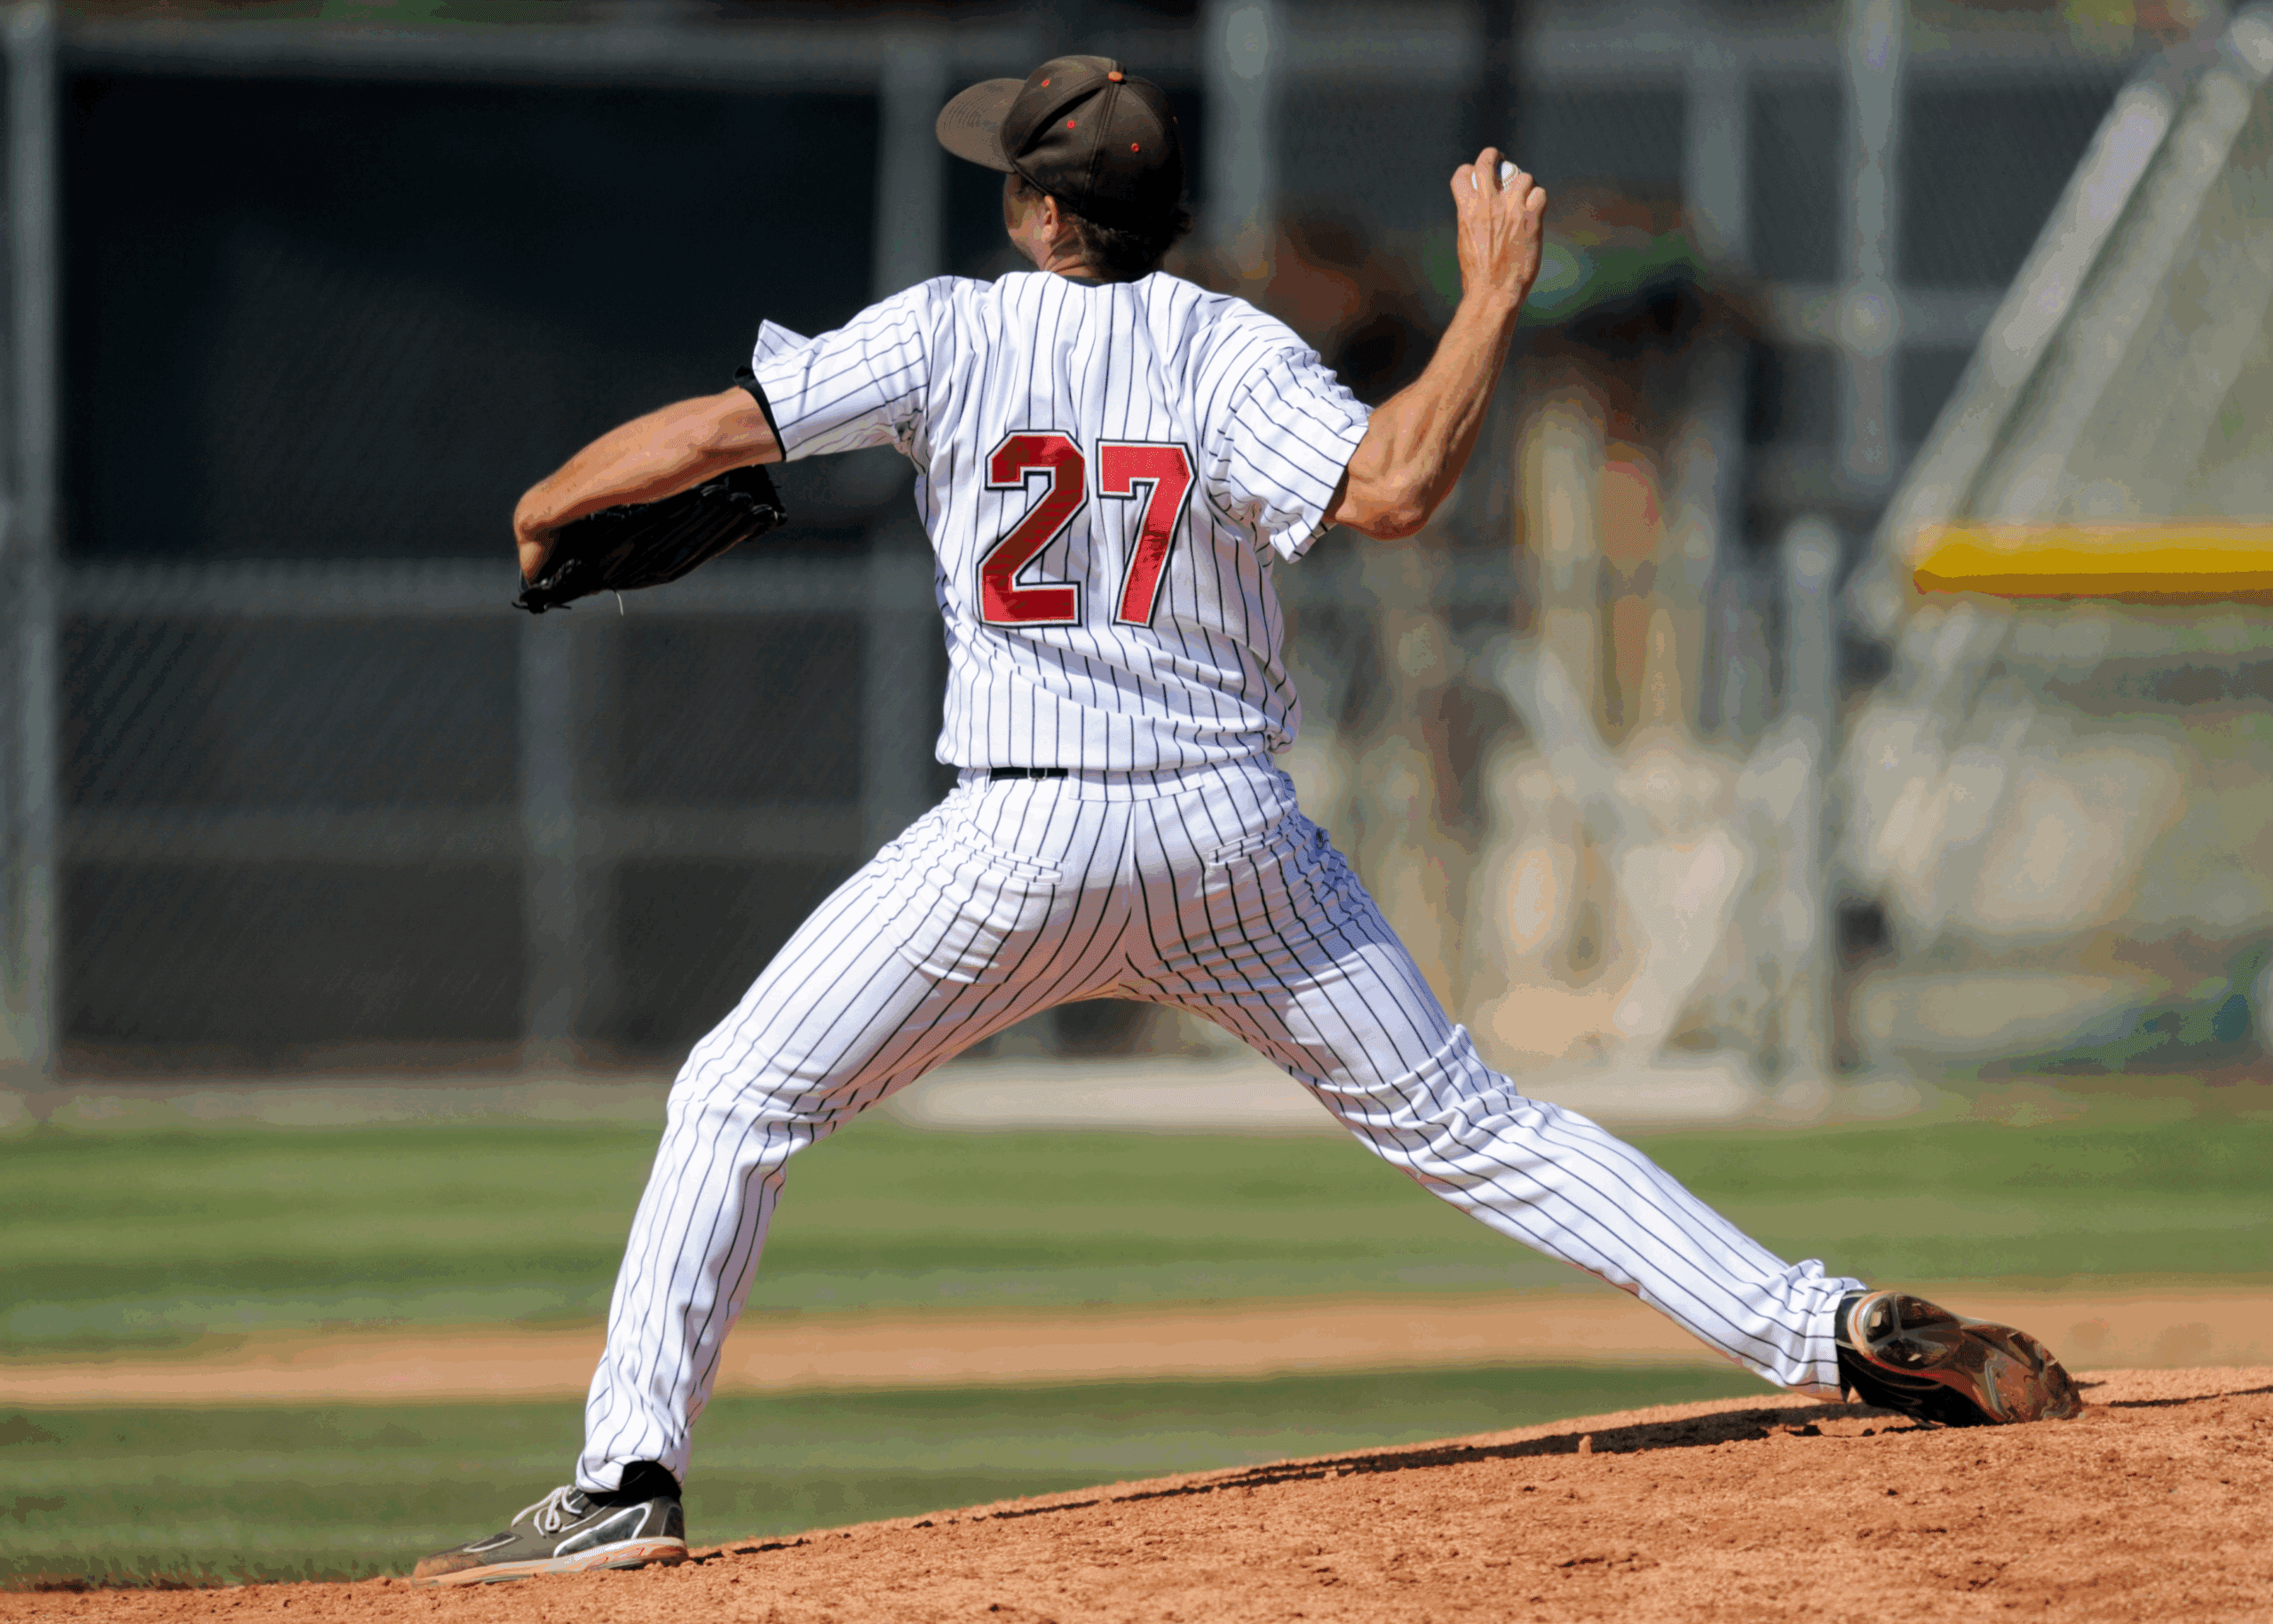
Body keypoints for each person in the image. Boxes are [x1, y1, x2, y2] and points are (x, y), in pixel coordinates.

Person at [413, 56, 2079, 1588]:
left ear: (1042, 214)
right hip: (1233, 845)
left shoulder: (948, 330)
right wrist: (1491, 298)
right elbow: (1400, 489)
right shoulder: (1233, 349)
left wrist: (545, 500)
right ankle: (1830, 1322)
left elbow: (717, 431)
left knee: (737, 1097)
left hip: (1020, 844)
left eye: (1016, 172)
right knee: (1477, 1126)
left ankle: (627, 1477)